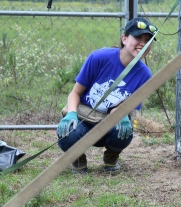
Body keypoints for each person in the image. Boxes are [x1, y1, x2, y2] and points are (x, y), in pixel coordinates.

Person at [56, 17, 156, 173]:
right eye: (138, 37)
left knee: (124, 130)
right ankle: (77, 156)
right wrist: (71, 114)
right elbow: (75, 93)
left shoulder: (144, 75)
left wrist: (122, 115)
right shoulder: (99, 57)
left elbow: (120, 107)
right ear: (124, 38)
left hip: (108, 123)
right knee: (68, 133)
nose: (143, 44)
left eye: (148, 40)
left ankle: (112, 154)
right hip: (84, 118)